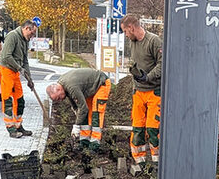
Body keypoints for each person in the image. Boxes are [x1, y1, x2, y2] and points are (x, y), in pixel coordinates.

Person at [119, 14, 162, 166]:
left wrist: (148, 77)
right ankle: (139, 161)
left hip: (154, 91)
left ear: (131, 27)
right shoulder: (133, 42)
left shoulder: (153, 41)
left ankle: (157, 162)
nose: (125, 35)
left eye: (125, 31)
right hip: (138, 91)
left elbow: (162, 64)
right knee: (137, 127)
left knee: (152, 128)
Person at [46, 68, 111, 151]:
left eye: (58, 98)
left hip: (101, 83)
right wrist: (76, 110)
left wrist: (76, 126)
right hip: (90, 87)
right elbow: (73, 100)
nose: (60, 100)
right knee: (85, 114)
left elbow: (83, 108)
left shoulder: (71, 86)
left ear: (58, 89)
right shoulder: (62, 85)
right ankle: (84, 141)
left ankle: (95, 143)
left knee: (96, 113)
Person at [0, 20, 38, 138]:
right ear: (26, 29)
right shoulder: (12, 36)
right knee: (8, 100)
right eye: (32, 34)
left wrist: (29, 79)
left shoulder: (25, 41)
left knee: (20, 100)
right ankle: (10, 128)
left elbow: (25, 60)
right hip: (6, 71)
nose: (32, 37)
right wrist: (19, 68)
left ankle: (18, 125)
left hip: (15, 72)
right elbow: (6, 56)